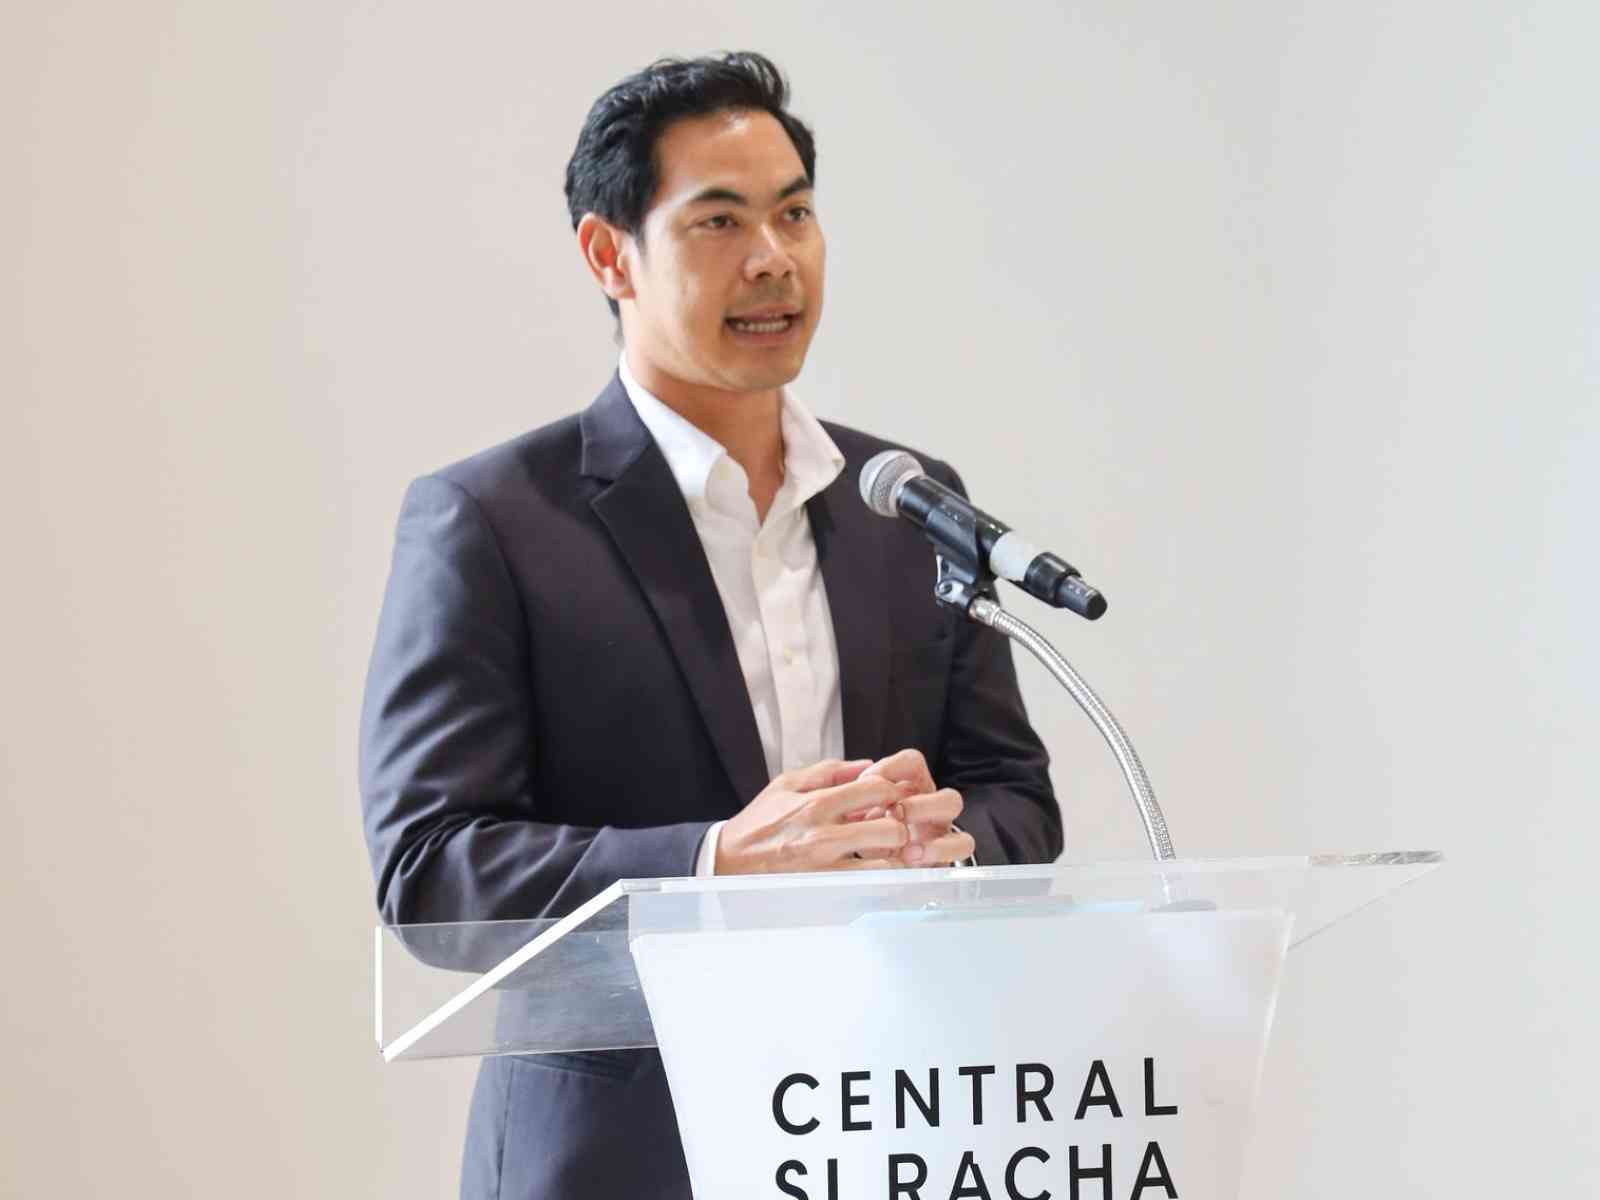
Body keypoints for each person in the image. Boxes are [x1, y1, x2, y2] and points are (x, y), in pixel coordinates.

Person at [358, 51, 1062, 1198]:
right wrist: (717, 863)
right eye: (719, 221)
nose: (772, 257)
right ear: (609, 255)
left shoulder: (903, 501)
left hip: (888, 1129)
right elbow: (432, 876)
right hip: (617, 1159)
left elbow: (1015, 798)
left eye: (794, 213)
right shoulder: (491, 521)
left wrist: (935, 842)